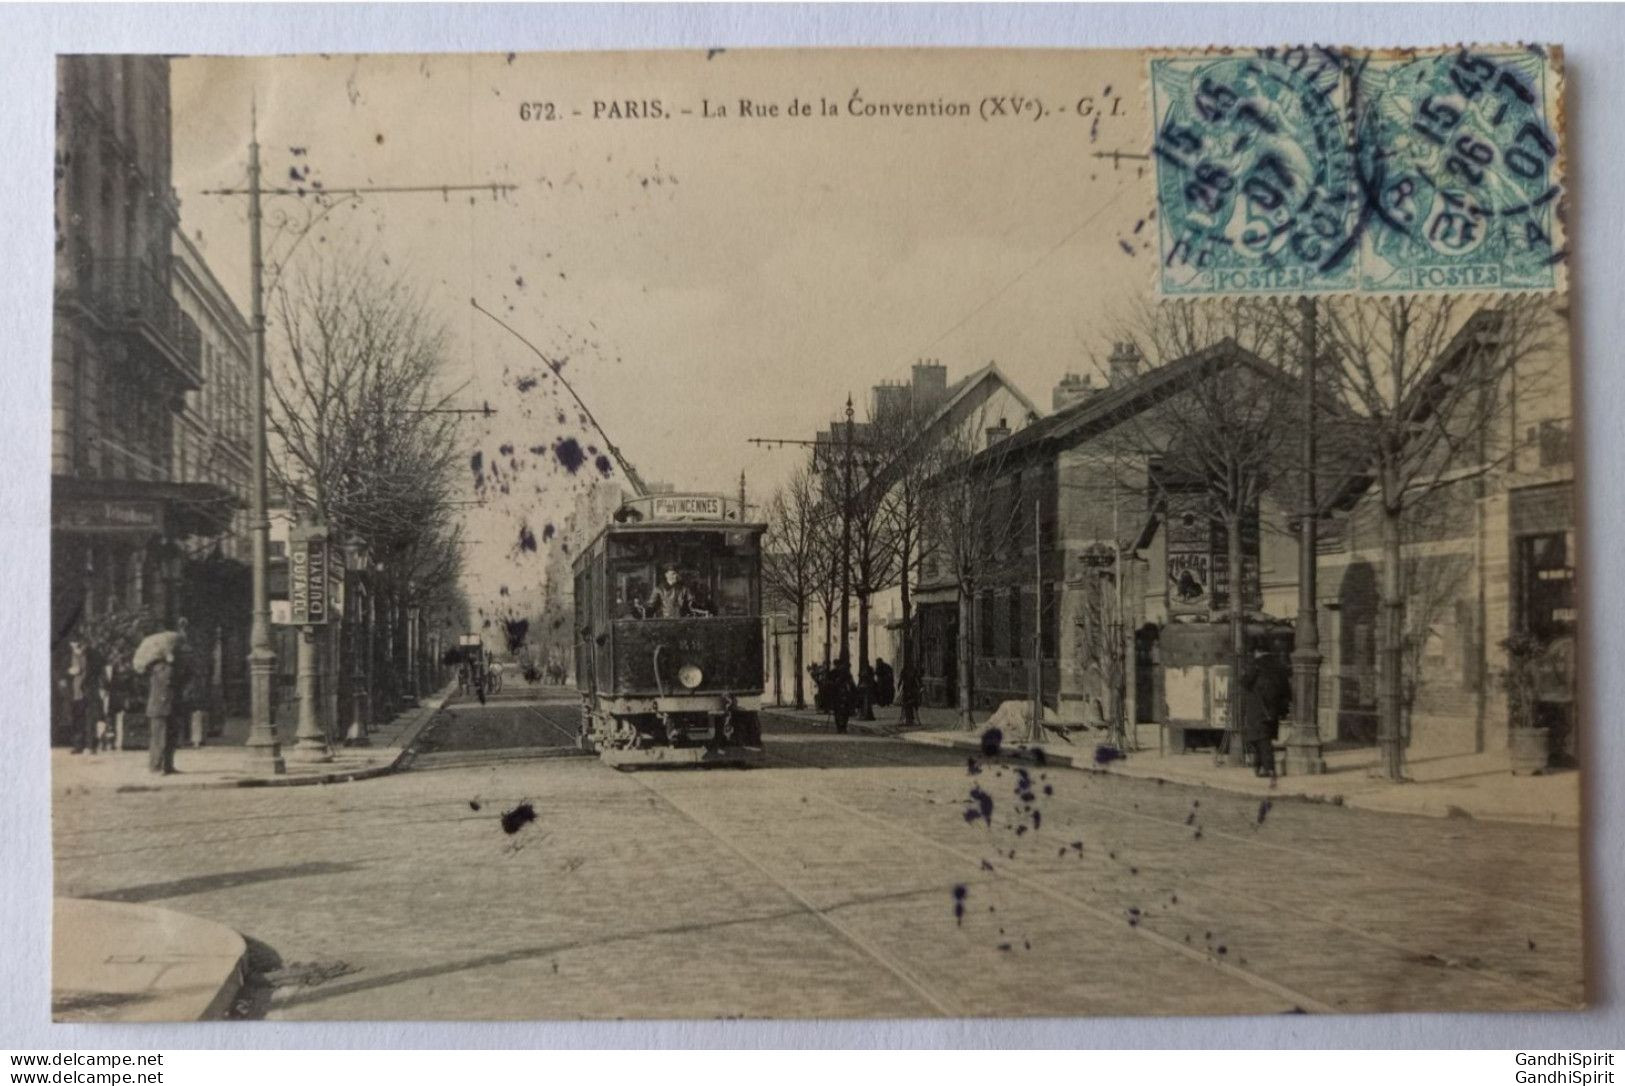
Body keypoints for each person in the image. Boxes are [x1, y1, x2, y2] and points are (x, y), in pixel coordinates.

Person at [61, 635, 101, 754]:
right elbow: (60, 672)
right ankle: (78, 745)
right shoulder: (68, 657)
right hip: (74, 692)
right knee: (76, 719)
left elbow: (98, 668)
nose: (78, 648)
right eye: (74, 645)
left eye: (80, 645)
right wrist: (69, 671)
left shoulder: (92, 655)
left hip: (88, 691)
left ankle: (89, 746)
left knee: (89, 719)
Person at [1237, 665, 1274, 778]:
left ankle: (1258, 768)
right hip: (1261, 718)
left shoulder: (1248, 686)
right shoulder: (1262, 683)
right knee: (1264, 744)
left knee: (1258, 745)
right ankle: (1268, 769)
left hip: (1252, 718)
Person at [641, 563, 709, 618]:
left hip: (681, 623)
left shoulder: (684, 589)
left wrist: (703, 611)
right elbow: (650, 606)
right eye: (673, 574)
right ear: (666, 575)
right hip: (664, 623)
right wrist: (641, 610)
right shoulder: (659, 590)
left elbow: (691, 605)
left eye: (676, 574)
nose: (675, 576)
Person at [827, 656, 855, 735]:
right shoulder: (843, 673)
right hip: (842, 695)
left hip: (839, 695)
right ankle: (842, 727)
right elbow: (851, 683)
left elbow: (829, 684)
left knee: (839, 712)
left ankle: (840, 727)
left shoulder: (834, 672)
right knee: (843, 712)